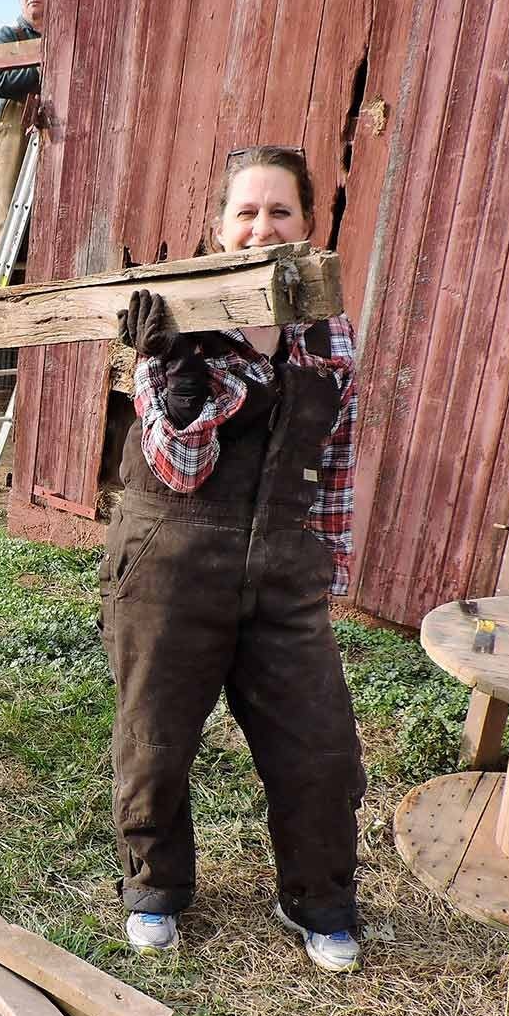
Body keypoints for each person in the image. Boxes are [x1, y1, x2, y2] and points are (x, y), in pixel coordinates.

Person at [101, 146, 366, 973]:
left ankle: (318, 900)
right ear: (219, 227)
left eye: (281, 211)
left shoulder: (326, 326)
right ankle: (155, 889)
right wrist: (171, 367)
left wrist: (331, 562)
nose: (263, 226)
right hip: (170, 557)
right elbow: (178, 467)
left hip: (284, 564)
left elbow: (339, 452)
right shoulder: (172, 315)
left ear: (309, 226)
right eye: (246, 212)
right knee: (156, 737)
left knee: (320, 747)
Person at [0, 0, 47, 288]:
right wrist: (49, 65)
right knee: (6, 219)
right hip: (14, 136)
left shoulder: (62, 38)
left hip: (51, 131)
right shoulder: (7, 36)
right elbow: (2, 81)